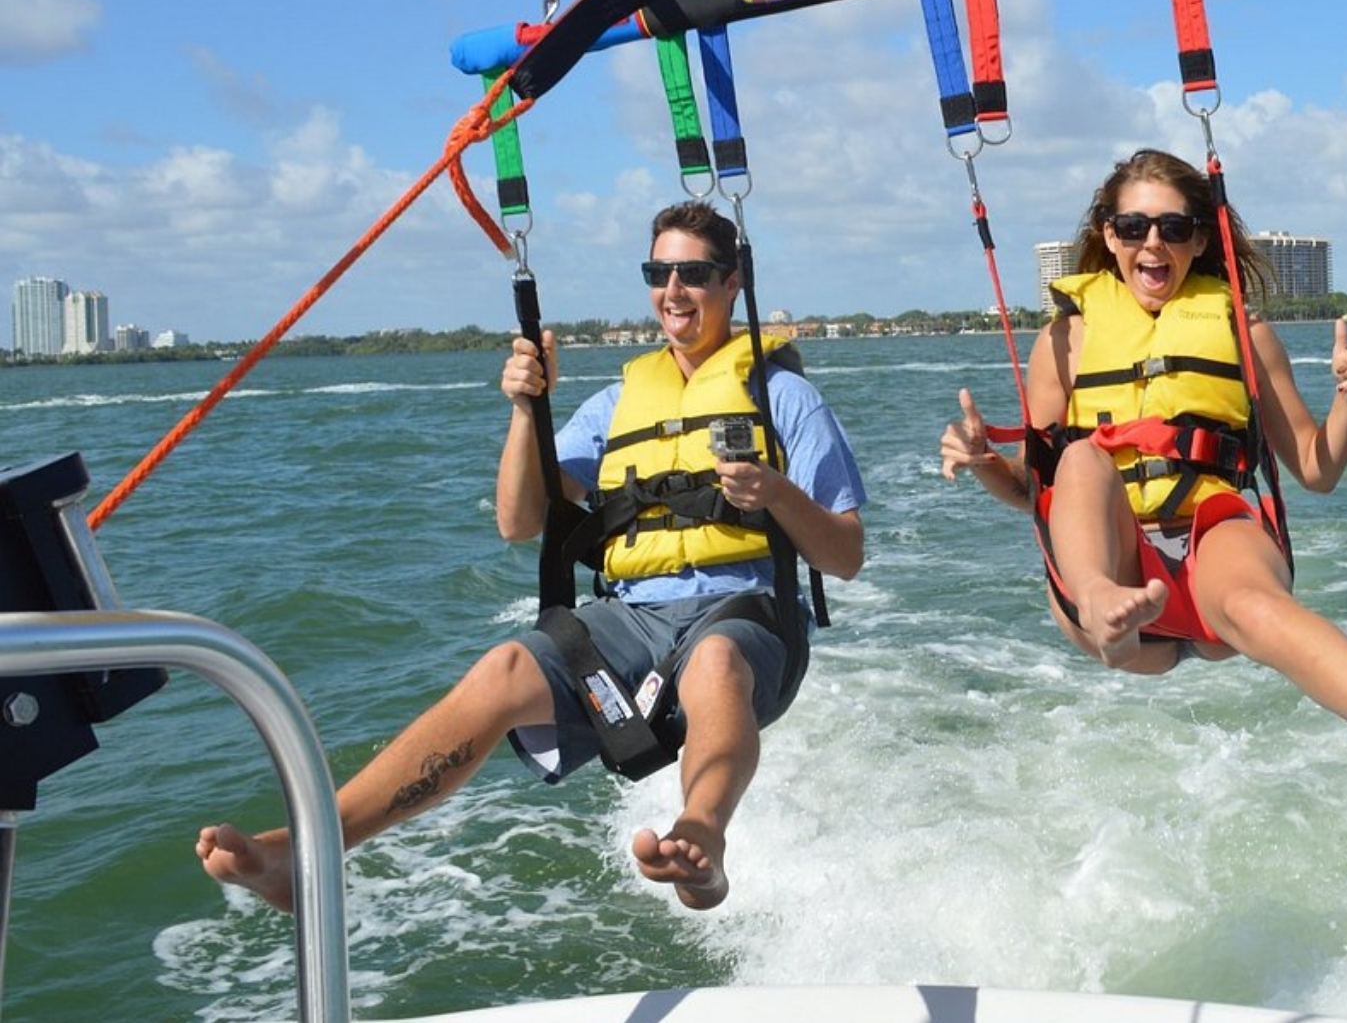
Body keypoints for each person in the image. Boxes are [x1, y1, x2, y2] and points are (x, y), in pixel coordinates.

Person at [198, 201, 866, 912]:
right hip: (631, 617)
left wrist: (778, 494)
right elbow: (519, 520)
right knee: (504, 668)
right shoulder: (616, 405)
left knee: (715, 664)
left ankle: (701, 838)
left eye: (693, 273)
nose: (673, 290)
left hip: (745, 611)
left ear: (732, 284)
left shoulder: (787, 398)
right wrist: (525, 408)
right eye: (658, 271)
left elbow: (846, 552)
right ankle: (306, 852)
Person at [940, 148, 1347, 828]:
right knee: (1080, 461)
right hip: (1113, 564)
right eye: (1132, 227)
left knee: (1247, 597)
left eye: (1174, 228)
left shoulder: (1245, 334)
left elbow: (1316, 469)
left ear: (1200, 239)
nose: (1152, 243)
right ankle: (1104, 605)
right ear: (1107, 235)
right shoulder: (1061, 343)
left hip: (1212, 535)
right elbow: (1035, 491)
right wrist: (983, 462)